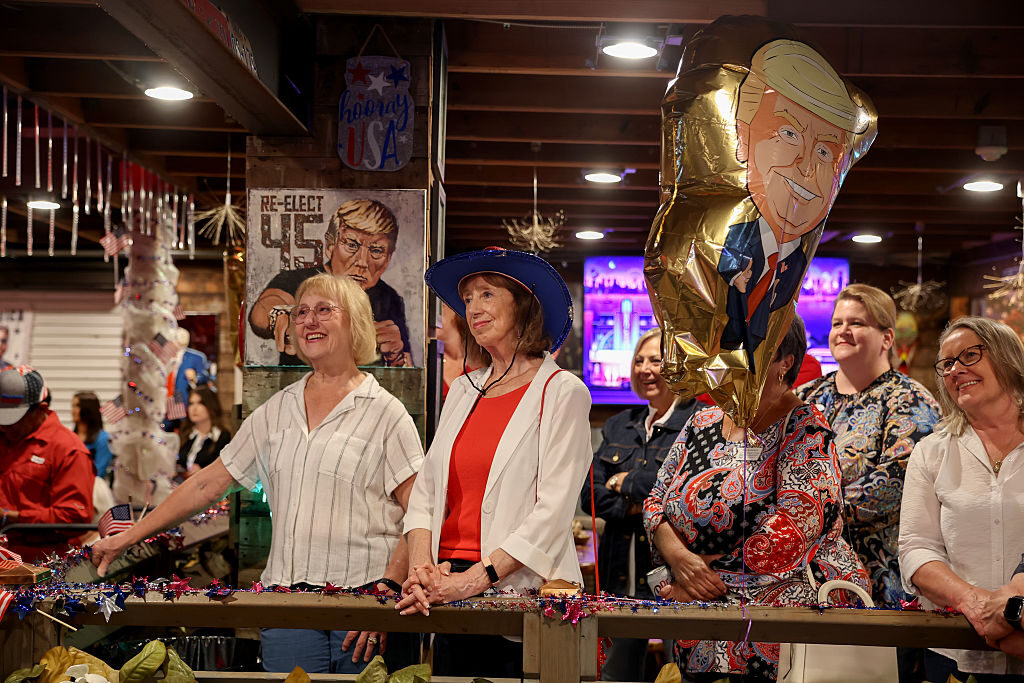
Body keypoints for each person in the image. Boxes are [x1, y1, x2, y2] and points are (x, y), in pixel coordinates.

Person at [92, 273, 425, 675]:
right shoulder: (275, 410)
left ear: (354, 321)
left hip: (364, 607)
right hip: (285, 605)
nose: (308, 321)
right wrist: (128, 537)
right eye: (301, 312)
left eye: (324, 310)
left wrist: (387, 589)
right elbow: (206, 483)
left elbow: (419, 511)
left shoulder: (385, 412)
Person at [397, 247, 592, 679]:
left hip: (514, 593)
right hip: (445, 587)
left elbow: (554, 511)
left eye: (486, 294)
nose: (472, 308)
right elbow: (426, 493)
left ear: (523, 305)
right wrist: (421, 568)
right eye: (466, 299)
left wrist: (474, 580)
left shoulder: (563, 391)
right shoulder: (464, 389)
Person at [644, 316, 868, 681]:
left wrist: (699, 576)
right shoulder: (704, 420)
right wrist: (680, 558)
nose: (731, 361)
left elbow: (794, 528)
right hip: (698, 626)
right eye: (729, 349)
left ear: (785, 363)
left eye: (747, 351)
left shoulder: (804, 425)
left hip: (780, 631)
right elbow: (656, 500)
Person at [717, 39, 873, 369]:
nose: (805, 166)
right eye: (789, 134)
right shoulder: (727, 241)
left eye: (824, 152)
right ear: (743, 138)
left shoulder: (798, 263)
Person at [797, 284, 940, 607]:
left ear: (887, 338)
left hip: (880, 582)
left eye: (856, 323)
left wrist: (798, 514)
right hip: (803, 579)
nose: (843, 331)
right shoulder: (805, 397)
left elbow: (893, 485)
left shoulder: (909, 400)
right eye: (837, 323)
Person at [899, 316, 1024, 680]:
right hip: (954, 649)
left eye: (969, 355)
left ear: (1006, 358)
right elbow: (916, 548)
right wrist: (975, 603)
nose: (955, 370)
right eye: (947, 363)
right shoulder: (931, 451)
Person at [581, 327, 700, 682]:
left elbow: (686, 493)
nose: (645, 369)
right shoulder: (620, 425)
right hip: (619, 577)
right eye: (639, 361)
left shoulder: (700, 421)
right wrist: (645, 502)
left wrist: (625, 483)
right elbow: (590, 496)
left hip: (678, 577)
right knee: (614, 678)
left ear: (679, 367)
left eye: (657, 360)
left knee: (684, 675)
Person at [249, 199, 412, 367]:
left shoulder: (388, 297)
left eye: (376, 250)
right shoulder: (296, 280)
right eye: (351, 245)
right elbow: (265, 307)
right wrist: (280, 315)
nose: (363, 262)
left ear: (388, 259)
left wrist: (396, 358)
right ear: (330, 245)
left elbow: (409, 369)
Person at [0, 366, 94, 562]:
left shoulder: (68, 450)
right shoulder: (5, 436)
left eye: (13, 420)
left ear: (41, 409)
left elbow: (74, 517)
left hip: (41, 564)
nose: (5, 426)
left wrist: (11, 517)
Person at [176, 387, 232, 480]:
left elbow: (226, 473)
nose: (194, 408)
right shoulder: (185, 433)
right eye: (191, 404)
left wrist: (203, 472)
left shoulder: (223, 437)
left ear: (211, 406)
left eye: (200, 403)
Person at [436, 302, 483, 400]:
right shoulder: (429, 359)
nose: (432, 316)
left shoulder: (484, 357)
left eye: (440, 307)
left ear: (454, 310)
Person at [71, 391, 114, 479]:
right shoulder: (70, 437)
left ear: (88, 409)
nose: (73, 411)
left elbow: (99, 472)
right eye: (73, 406)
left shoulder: (103, 439)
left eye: (77, 406)